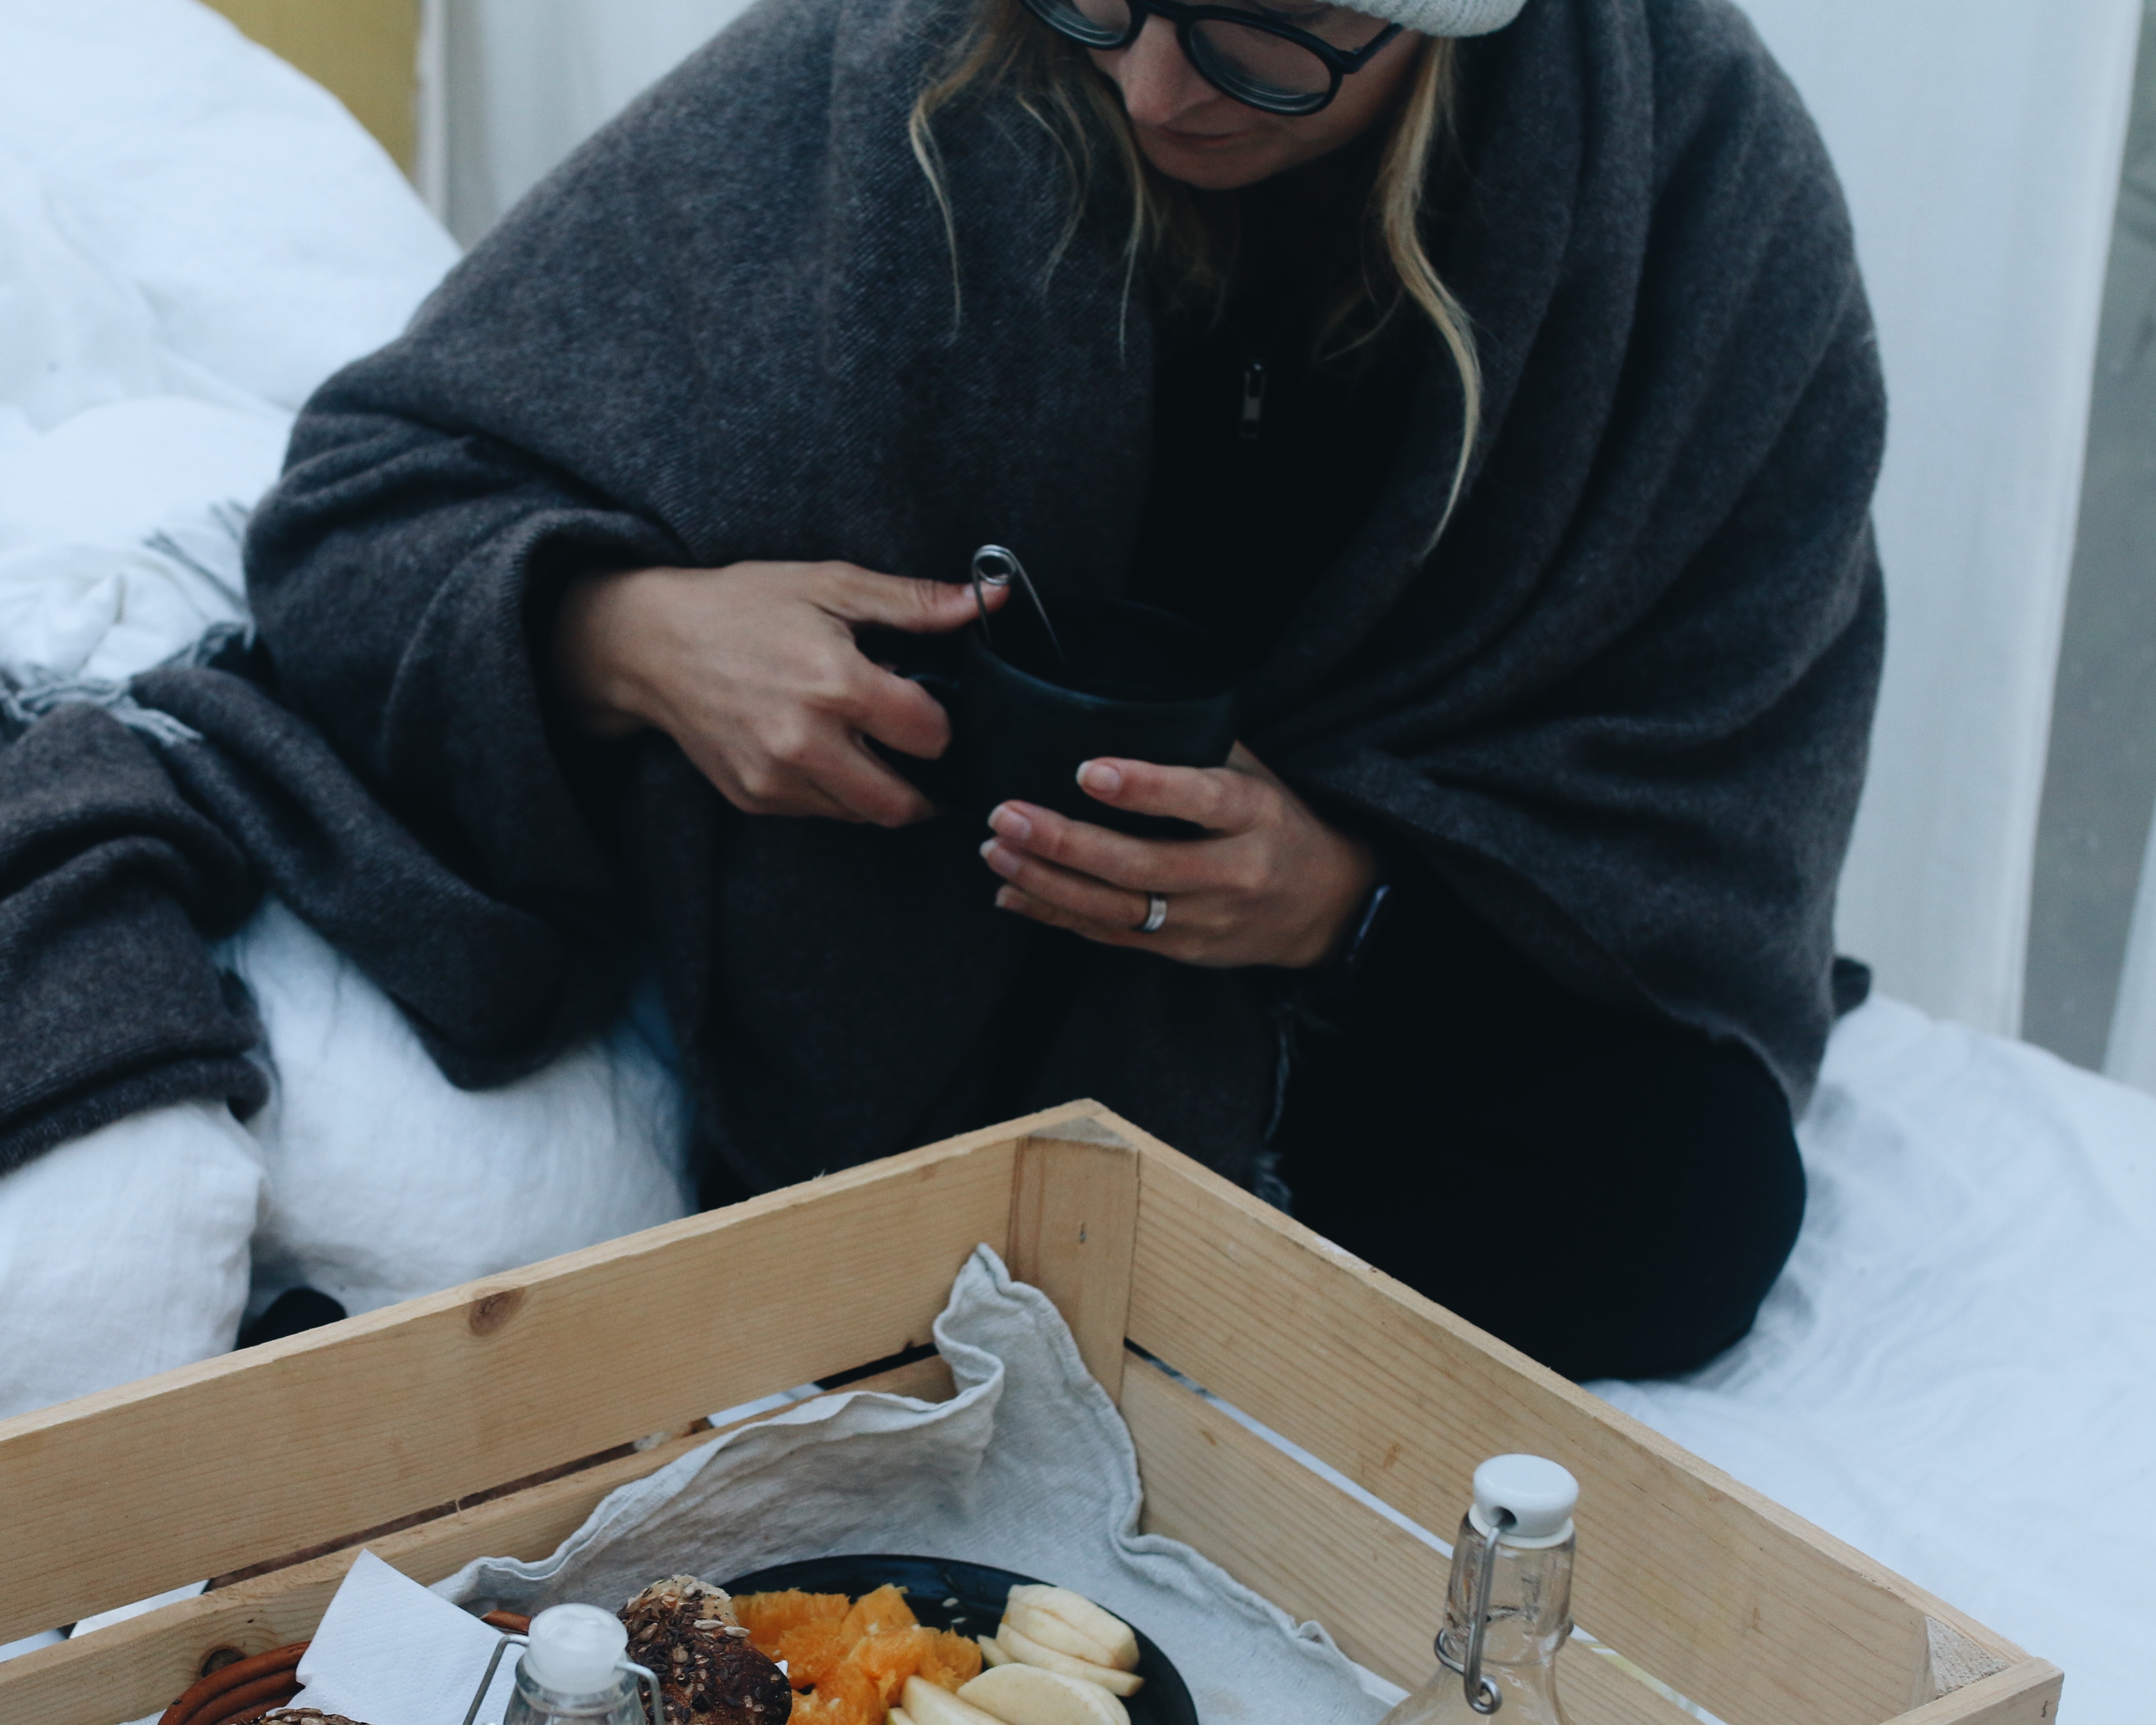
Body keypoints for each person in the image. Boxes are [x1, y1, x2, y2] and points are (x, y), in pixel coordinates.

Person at [245, 0, 1882, 1381]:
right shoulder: (895, 69)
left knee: (1689, 1216)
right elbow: (360, 515)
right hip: (878, 925)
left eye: (1267, 43)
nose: (1156, 89)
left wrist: (1346, 904)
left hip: (1358, 1021)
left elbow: (1712, 749)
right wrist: (639, 636)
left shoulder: (1699, 190)